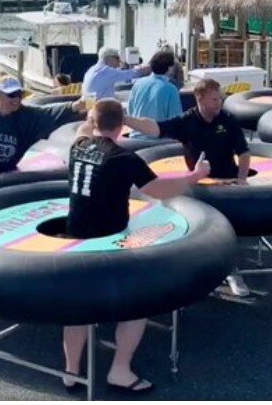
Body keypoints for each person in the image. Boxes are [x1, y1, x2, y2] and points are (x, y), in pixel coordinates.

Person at [62, 98, 210, 393]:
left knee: (77, 309)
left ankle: (71, 372)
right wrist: (195, 175)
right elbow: (158, 189)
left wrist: (91, 118)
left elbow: (81, 129)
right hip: (109, 246)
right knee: (136, 305)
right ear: (121, 126)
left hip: (75, 242)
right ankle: (119, 370)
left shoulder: (77, 146)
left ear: (94, 122)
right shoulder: (123, 159)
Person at [124, 78, 252, 296]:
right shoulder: (187, 121)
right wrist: (126, 119)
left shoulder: (228, 120)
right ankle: (193, 269)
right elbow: (155, 127)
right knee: (194, 227)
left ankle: (232, 270)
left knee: (228, 229)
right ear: (199, 99)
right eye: (214, 99)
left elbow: (244, 152)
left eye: (220, 98)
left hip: (225, 183)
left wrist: (241, 180)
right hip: (197, 184)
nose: (219, 103)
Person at [0, 76, 85, 176]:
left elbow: (49, 113)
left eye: (19, 95)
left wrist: (75, 106)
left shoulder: (27, 116)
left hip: (4, 178)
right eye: (11, 95)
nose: (16, 99)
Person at [127, 50, 182, 138]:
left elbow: (130, 111)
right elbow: (176, 122)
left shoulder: (138, 84)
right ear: (170, 68)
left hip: (135, 137)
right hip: (158, 140)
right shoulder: (171, 89)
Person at [82, 46, 151, 99]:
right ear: (108, 58)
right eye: (117, 58)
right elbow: (133, 74)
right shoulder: (106, 71)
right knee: (134, 95)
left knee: (123, 95)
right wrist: (149, 68)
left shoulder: (92, 69)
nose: (119, 63)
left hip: (90, 104)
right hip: (100, 107)